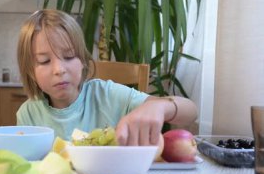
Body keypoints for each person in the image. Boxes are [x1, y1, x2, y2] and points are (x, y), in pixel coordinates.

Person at [16, 9, 197, 146]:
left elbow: (191, 112)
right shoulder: (28, 115)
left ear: (83, 61)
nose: (59, 69)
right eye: (44, 61)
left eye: (70, 56)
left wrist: (161, 106)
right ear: (31, 71)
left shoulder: (108, 95)